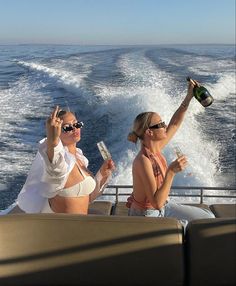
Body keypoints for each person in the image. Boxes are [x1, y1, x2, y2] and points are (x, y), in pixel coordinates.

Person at [126, 81, 215, 227]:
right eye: (161, 125)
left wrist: (188, 97)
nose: (165, 126)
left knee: (208, 217)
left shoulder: (156, 147)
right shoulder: (143, 160)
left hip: (164, 206)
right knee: (189, 228)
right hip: (147, 214)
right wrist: (171, 172)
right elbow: (155, 203)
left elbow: (174, 123)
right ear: (149, 132)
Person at [17, 106, 115, 214]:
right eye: (67, 127)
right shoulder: (60, 163)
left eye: (77, 124)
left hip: (81, 227)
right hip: (61, 228)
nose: (74, 128)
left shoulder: (79, 158)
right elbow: (55, 169)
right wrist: (52, 140)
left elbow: (88, 198)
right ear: (57, 132)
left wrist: (102, 173)